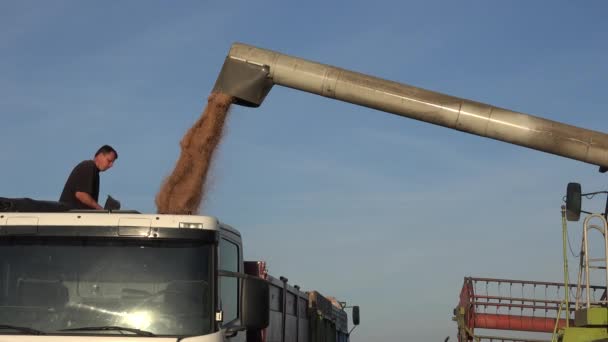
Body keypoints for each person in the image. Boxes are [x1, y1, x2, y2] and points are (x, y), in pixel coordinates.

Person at [59, 145, 118, 209]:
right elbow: (81, 195)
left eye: (112, 162)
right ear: (100, 155)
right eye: (109, 161)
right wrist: (100, 209)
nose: (111, 165)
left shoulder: (94, 172)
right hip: (70, 216)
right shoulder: (89, 166)